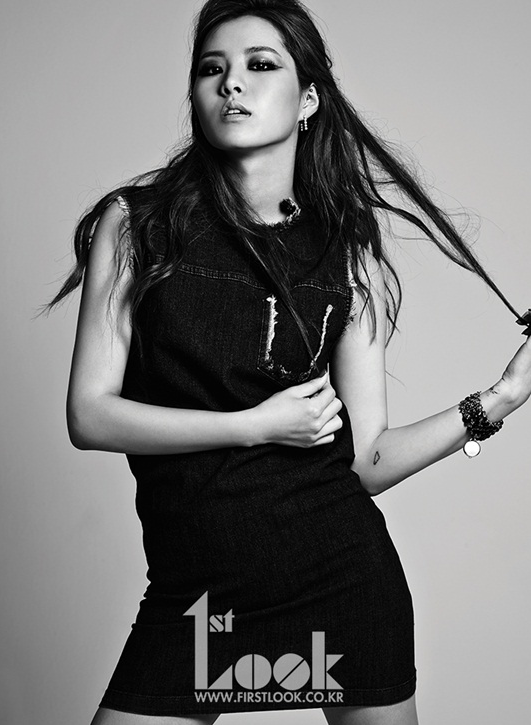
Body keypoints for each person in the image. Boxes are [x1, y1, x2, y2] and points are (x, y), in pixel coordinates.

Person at [41, 0, 531, 723]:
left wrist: (502, 397)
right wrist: (254, 424)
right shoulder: (139, 225)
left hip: (343, 582)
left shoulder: (347, 251)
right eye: (212, 69)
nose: (231, 83)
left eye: (260, 65)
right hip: (195, 597)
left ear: (308, 99)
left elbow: (365, 461)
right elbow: (89, 416)